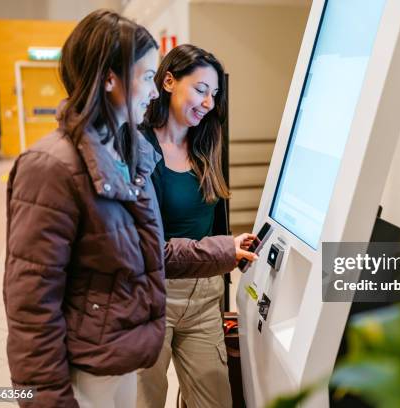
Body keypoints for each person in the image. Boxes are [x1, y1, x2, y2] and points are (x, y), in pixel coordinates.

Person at [3, 10, 256, 408]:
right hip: (86, 370)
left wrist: (223, 249)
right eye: (145, 77)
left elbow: (151, 252)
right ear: (110, 79)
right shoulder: (49, 166)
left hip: (117, 355)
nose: (154, 91)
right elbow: (32, 309)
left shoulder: (125, 158)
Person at [135, 44, 234, 408]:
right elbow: (143, 244)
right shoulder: (139, 148)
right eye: (201, 90)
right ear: (168, 81)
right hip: (151, 296)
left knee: (215, 400)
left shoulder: (208, 143)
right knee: (144, 401)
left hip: (204, 295)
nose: (208, 103)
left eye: (214, 94)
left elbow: (217, 218)